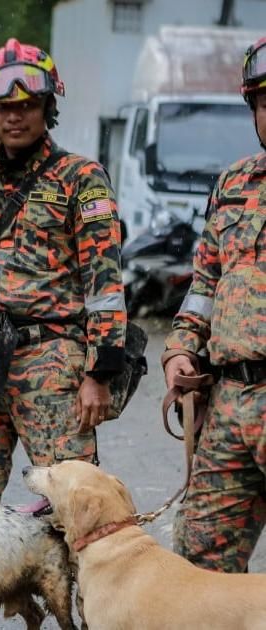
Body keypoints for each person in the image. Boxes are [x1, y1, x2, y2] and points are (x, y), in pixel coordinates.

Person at [0, 38, 126, 510]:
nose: (14, 117)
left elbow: (105, 284)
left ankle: (81, 587)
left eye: (27, 105)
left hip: (54, 363)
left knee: (76, 507)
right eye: (2, 107)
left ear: (48, 106)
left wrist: (98, 374)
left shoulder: (82, 178)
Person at [163, 37, 266, 573]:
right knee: (200, 561)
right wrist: (180, 350)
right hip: (229, 404)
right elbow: (204, 287)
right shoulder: (233, 183)